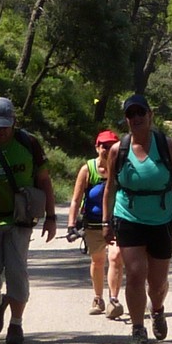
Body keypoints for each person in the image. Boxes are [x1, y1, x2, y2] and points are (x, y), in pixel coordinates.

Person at [111, 93, 172, 344]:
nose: (136, 117)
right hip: (128, 216)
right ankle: (138, 331)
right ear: (126, 119)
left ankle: (157, 309)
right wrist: (105, 221)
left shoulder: (167, 145)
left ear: (150, 115)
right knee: (135, 273)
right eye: (131, 114)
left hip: (162, 218)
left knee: (157, 283)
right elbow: (110, 188)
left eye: (141, 112)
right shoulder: (118, 150)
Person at [0, 96, 58, 344]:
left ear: (14, 122)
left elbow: (44, 181)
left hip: (20, 220)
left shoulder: (28, 144)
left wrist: (51, 217)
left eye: (5, 126)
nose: (2, 131)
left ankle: (16, 324)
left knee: (17, 273)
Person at [67, 129, 121, 315]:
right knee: (98, 261)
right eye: (104, 146)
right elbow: (76, 199)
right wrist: (71, 225)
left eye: (112, 146)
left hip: (116, 223)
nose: (107, 150)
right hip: (93, 223)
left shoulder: (121, 168)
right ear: (97, 147)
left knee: (115, 257)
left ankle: (114, 300)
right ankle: (98, 298)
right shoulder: (87, 169)